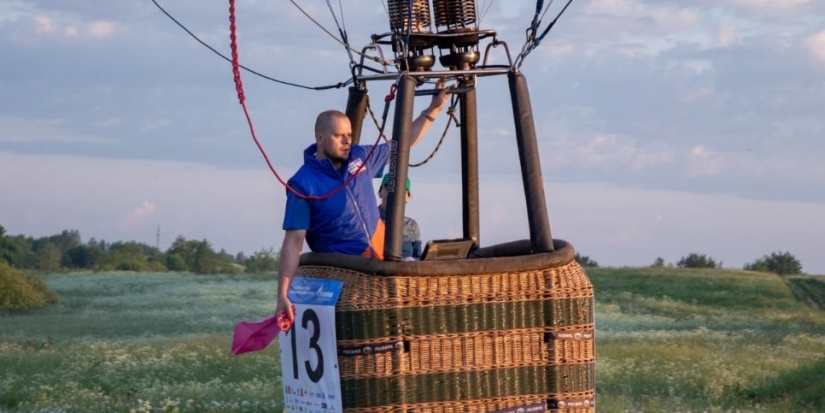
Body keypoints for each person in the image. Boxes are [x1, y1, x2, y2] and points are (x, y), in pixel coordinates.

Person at [276, 82, 450, 322]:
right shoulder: (303, 184)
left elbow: (400, 145)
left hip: (384, 263)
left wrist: (433, 110)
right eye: (339, 136)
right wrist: (282, 294)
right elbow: (294, 241)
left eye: (349, 135)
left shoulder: (360, 157)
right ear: (320, 138)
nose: (347, 141)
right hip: (348, 274)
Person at [377, 173, 422, 260]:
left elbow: (418, 257)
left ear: (408, 197)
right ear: (380, 193)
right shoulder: (368, 221)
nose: (393, 194)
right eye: (388, 188)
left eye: (400, 190)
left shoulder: (412, 225)